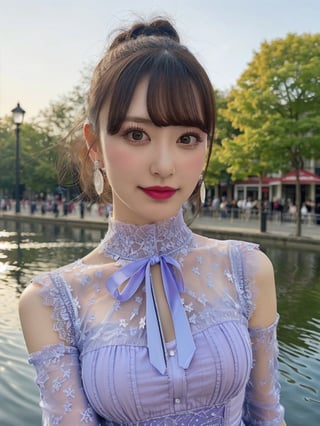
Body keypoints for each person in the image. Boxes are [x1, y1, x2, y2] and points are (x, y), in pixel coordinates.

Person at [19, 18, 286, 425]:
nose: (164, 166)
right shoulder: (52, 301)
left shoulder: (248, 269)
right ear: (94, 145)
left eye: (187, 139)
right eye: (136, 135)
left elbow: (267, 416)